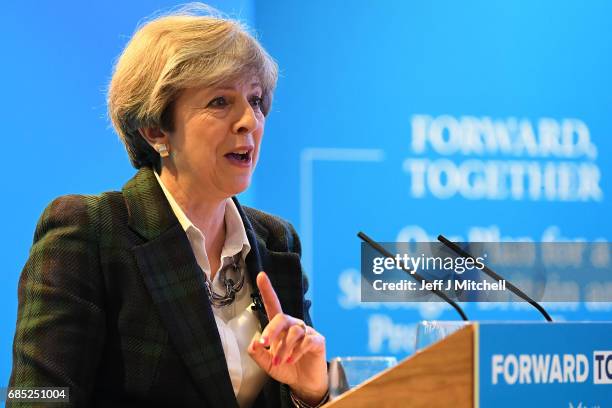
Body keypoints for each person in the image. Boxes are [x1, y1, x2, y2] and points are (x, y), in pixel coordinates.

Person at [9, 4, 328, 407]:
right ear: (156, 129)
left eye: (256, 99)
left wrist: (310, 394)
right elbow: (37, 397)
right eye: (219, 101)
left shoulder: (276, 242)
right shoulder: (89, 233)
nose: (250, 119)